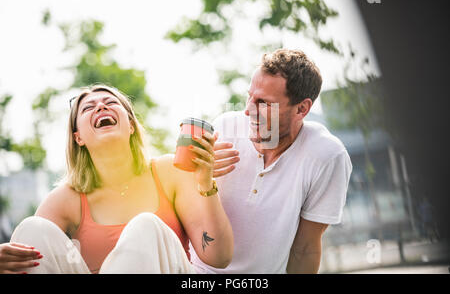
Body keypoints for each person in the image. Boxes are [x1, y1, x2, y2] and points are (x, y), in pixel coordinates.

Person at [0, 84, 233, 274]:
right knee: (33, 228)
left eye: (110, 103)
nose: (101, 106)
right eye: (88, 107)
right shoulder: (66, 198)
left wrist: (205, 183)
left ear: (131, 125)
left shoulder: (169, 171)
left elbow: (218, 257)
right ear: (78, 137)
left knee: (145, 226)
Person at [192, 49, 353, 273]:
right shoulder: (223, 129)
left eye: (263, 103)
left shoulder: (327, 156)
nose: (248, 111)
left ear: (302, 108)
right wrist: (195, 178)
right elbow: (187, 210)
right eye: (249, 97)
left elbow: (305, 248)